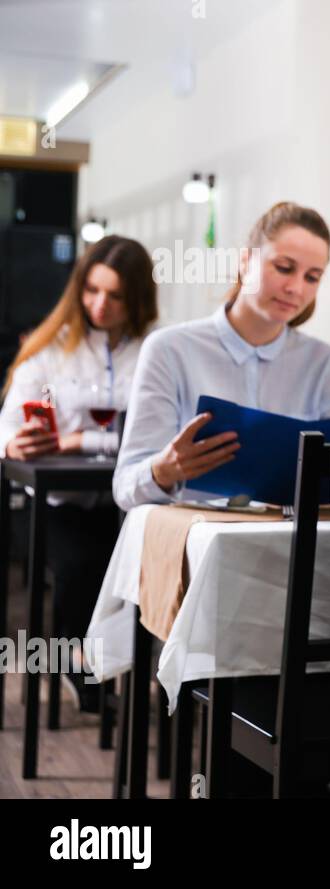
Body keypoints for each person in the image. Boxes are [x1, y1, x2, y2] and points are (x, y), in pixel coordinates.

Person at [0, 234, 157, 707]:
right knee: (83, 562)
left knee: (144, 564)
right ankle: (78, 666)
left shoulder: (155, 351)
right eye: (92, 291)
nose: (100, 305)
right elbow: (5, 427)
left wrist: (80, 439)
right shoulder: (50, 350)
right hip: (56, 503)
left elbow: (150, 436)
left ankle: (129, 668)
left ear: (137, 298)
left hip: (126, 501)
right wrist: (14, 442)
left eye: (115, 295)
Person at [113, 202, 330, 510]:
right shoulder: (169, 350)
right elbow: (125, 488)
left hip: (289, 545)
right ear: (245, 262)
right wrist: (163, 470)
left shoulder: (322, 362)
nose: (295, 288)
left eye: (312, 277)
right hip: (193, 544)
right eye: (284, 268)